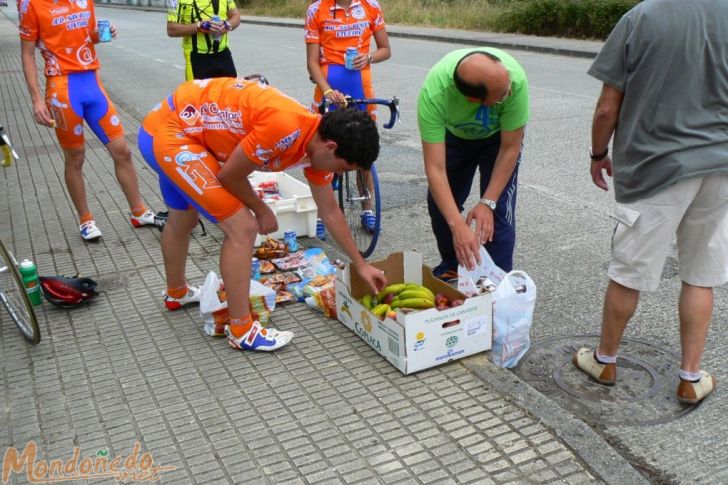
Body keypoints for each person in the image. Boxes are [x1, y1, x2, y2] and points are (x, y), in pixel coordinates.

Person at [137, 77, 387, 352]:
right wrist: (261, 209)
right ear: (331, 148)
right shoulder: (286, 126)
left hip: (175, 128)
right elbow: (230, 175)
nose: (339, 174)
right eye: (343, 167)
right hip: (171, 133)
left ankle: (177, 293)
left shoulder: (318, 141)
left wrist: (360, 264)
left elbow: (329, 210)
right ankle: (242, 330)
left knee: (184, 218)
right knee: (243, 228)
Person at [572, 0, 728, 405]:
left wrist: (596, 153)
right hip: (720, 165)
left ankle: (605, 361)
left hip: (654, 165)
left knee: (630, 270)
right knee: (700, 274)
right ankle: (691, 378)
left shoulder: (641, 17)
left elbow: (608, 107)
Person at [19, 1, 156, 241]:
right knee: (76, 157)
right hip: (62, 87)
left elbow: (89, 34)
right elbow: (27, 53)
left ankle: (139, 212)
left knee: (122, 150)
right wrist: (36, 99)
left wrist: (102, 33)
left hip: (92, 82)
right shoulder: (31, 4)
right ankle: (86, 219)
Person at [417, 48, 529, 280]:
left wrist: (487, 203)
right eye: (500, 96)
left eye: (506, 89)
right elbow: (435, 169)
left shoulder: (514, 80)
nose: (509, 93)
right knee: (441, 207)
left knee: (498, 212)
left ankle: (497, 281)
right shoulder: (435, 94)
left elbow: (510, 148)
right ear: (474, 100)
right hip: (454, 138)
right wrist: (457, 225)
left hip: (499, 140)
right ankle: (452, 264)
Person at [305, 0, 391, 240]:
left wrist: (370, 57)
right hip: (329, 86)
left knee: (363, 151)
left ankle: (367, 209)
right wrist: (326, 90)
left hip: (361, 86)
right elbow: (312, 61)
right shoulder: (316, 9)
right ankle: (322, 213)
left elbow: (386, 49)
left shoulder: (370, 6)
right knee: (323, 152)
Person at [167, 0, 240, 81]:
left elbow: (235, 16)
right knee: (197, 93)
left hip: (223, 55)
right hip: (196, 57)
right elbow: (171, 29)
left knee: (230, 92)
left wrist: (228, 25)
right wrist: (198, 26)